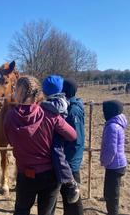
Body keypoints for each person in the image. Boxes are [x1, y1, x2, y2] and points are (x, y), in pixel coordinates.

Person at [3, 75, 77, 215]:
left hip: (25, 174)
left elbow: (10, 140)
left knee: (21, 210)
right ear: (38, 93)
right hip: (49, 175)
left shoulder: (10, 116)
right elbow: (72, 135)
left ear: (17, 92)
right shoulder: (50, 114)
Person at [40, 75, 80, 204]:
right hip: (59, 129)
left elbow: (50, 112)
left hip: (57, 131)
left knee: (57, 151)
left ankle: (70, 181)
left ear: (45, 91)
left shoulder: (52, 103)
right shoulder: (62, 99)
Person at [61, 78, 85, 215]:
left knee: (74, 197)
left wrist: (69, 163)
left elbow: (77, 139)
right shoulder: (70, 107)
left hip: (71, 162)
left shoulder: (73, 111)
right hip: (69, 159)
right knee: (67, 197)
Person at [100, 100, 127, 215]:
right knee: (110, 190)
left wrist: (105, 161)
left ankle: (113, 212)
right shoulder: (116, 124)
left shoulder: (112, 127)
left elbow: (111, 150)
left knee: (112, 194)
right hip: (116, 164)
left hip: (114, 165)